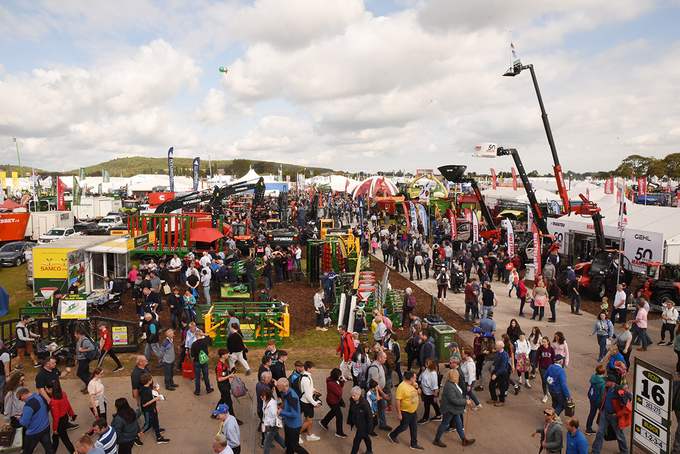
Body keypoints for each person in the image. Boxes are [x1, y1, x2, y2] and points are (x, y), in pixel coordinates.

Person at [433, 368, 475, 448]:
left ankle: (464, 439)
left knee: (458, 423)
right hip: (449, 409)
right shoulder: (450, 386)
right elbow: (454, 400)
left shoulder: (453, 384)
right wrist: (465, 401)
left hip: (453, 409)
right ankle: (437, 439)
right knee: (445, 423)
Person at [591, 374, 631, 454]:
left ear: (612, 382)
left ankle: (624, 451)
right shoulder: (607, 388)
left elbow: (628, 409)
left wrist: (618, 415)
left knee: (619, 434)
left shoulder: (619, 392)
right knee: (600, 432)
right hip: (605, 413)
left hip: (614, 416)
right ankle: (595, 451)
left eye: (607, 381)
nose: (605, 382)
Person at [388, 370, 423, 451]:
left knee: (414, 427)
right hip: (405, 412)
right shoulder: (402, 387)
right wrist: (399, 414)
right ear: (411, 378)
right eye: (415, 377)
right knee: (403, 426)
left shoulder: (413, 385)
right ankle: (392, 435)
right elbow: (397, 401)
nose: (416, 378)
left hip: (413, 411)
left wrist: (417, 387)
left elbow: (419, 393)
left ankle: (414, 443)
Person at [17, 387, 56, 454]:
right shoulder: (40, 397)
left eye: (20, 399)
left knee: (27, 451)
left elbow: (24, 422)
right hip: (45, 427)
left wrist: (19, 418)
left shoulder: (28, 406)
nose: (22, 401)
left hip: (33, 432)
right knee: (49, 448)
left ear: (22, 396)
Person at [276, 377, 309, 454]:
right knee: (288, 445)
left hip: (294, 427)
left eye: (278, 385)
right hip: (288, 425)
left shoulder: (292, 397)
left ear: (283, 386)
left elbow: (294, 414)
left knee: (294, 446)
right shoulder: (285, 392)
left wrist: (282, 412)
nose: (276, 387)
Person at [45, 380, 77, 453]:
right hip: (65, 417)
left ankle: (73, 452)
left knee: (65, 439)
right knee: (55, 438)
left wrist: (55, 428)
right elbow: (67, 404)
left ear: (51, 389)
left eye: (46, 389)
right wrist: (71, 414)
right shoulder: (63, 394)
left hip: (59, 422)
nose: (45, 390)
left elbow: (56, 416)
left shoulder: (53, 401)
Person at [139, 373, 170, 444]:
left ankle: (159, 437)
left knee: (155, 421)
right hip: (148, 410)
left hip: (153, 408)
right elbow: (144, 404)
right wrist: (155, 399)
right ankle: (137, 435)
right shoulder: (145, 392)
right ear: (149, 381)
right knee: (148, 425)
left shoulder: (147, 387)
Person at [368, 351, 392, 431]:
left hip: (380, 391)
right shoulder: (374, 368)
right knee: (372, 410)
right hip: (375, 392)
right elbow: (376, 384)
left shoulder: (380, 365)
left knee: (382, 407)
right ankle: (369, 427)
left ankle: (383, 424)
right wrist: (383, 394)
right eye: (384, 358)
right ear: (380, 358)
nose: (386, 359)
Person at [319, 368, 346, 438]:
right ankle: (339, 432)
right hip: (333, 401)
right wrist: (341, 383)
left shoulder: (332, 380)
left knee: (333, 412)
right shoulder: (332, 384)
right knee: (339, 416)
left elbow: (340, 388)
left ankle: (324, 422)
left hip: (333, 400)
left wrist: (341, 382)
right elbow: (339, 393)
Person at [347, 386, 373, 454]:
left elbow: (369, 417)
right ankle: (369, 450)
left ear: (359, 394)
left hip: (363, 426)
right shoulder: (353, 401)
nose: (353, 397)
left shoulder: (364, 404)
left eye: (354, 395)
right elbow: (351, 411)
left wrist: (369, 429)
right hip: (358, 424)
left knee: (356, 441)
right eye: (352, 395)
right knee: (365, 437)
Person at [299, 361, 321, 442]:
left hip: (306, 401)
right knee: (309, 421)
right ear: (308, 369)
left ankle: (309, 434)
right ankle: (296, 435)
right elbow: (308, 395)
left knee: (308, 420)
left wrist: (313, 390)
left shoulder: (306, 376)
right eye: (313, 368)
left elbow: (307, 389)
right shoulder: (306, 379)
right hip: (307, 403)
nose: (314, 369)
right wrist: (315, 403)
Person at [261, 387, 285, 454]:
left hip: (272, 426)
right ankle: (287, 447)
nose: (261, 397)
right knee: (277, 437)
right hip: (268, 424)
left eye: (263, 396)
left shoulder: (272, 406)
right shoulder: (265, 401)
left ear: (267, 396)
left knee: (266, 444)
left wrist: (270, 424)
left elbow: (276, 417)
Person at [215, 349, 238, 421]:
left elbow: (224, 370)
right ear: (222, 355)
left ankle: (215, 412)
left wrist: (229, 370)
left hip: (226, 384)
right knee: (229, 402)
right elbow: (219, 379)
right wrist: (229, 376)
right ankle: (233, 418)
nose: (227, 355)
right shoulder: (219, 366)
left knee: (223, 399)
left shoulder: (223, 363)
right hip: (223, 386)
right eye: (226, 354)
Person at [418, 358, 442, 424]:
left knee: (427, 405)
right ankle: (438, 414)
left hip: (429, 393)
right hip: (425, 391)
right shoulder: (427, 370)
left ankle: (425, 418)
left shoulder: (433, 374)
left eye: (427, 363)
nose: (425, 364)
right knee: (433, 404)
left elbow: (435, 386)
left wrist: (435, 396)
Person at [487, 340, 510, 407]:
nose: (495, 346)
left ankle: (502, 401)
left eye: (497, 345)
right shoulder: (498, 353)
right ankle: (494, 398)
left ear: (501, 347)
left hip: (502, 373)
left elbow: (503, 367)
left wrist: (496, 374)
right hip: (496, 371)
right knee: (491, 385)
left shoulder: (504, 355)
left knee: (501, 387)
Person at [191, 331, 214, 396]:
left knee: (197, 377)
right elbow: (208, 336)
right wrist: (203, 334)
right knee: (206, 376)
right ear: (201, 335)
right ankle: (208, 389)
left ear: (195, 336)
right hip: (204, 360)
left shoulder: (194, 344)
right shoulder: (205, 342)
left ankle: (197, 391)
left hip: (197, 361)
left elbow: (192, 355)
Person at [586, 364, 606, 435]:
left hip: (592, 398)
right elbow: (603, 394)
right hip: (599, 401)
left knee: (592, 413)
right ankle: (602, 431)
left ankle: (588, 429)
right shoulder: (603, 383)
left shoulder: (593, 377)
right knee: (603, 416)